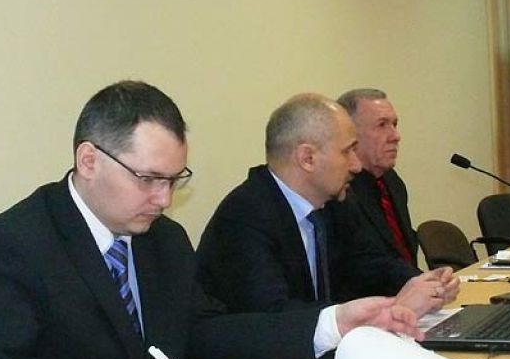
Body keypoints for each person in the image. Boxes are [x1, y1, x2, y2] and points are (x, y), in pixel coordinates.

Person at [0, 81, 419, 359]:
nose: (165, 200)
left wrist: (332, 324)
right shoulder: (10, 246)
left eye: (174, 180)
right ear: (89, 161)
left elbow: (206, 331)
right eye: (148, 179)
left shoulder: (162, 240)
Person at [196, 93, 457, 318]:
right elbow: (274, 317)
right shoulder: (244, 218)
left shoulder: (333, 203)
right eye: (347, 152)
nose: (356, 165)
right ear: (307, 158)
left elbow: (368, 264)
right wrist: (395, 309)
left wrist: (424, 283)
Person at [336, 88, 418, 266]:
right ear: (350, 134)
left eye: (394, 124)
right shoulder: (340, 192)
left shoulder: (392, 182)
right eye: (382, 125)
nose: (395, 136)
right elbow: (363, 264)